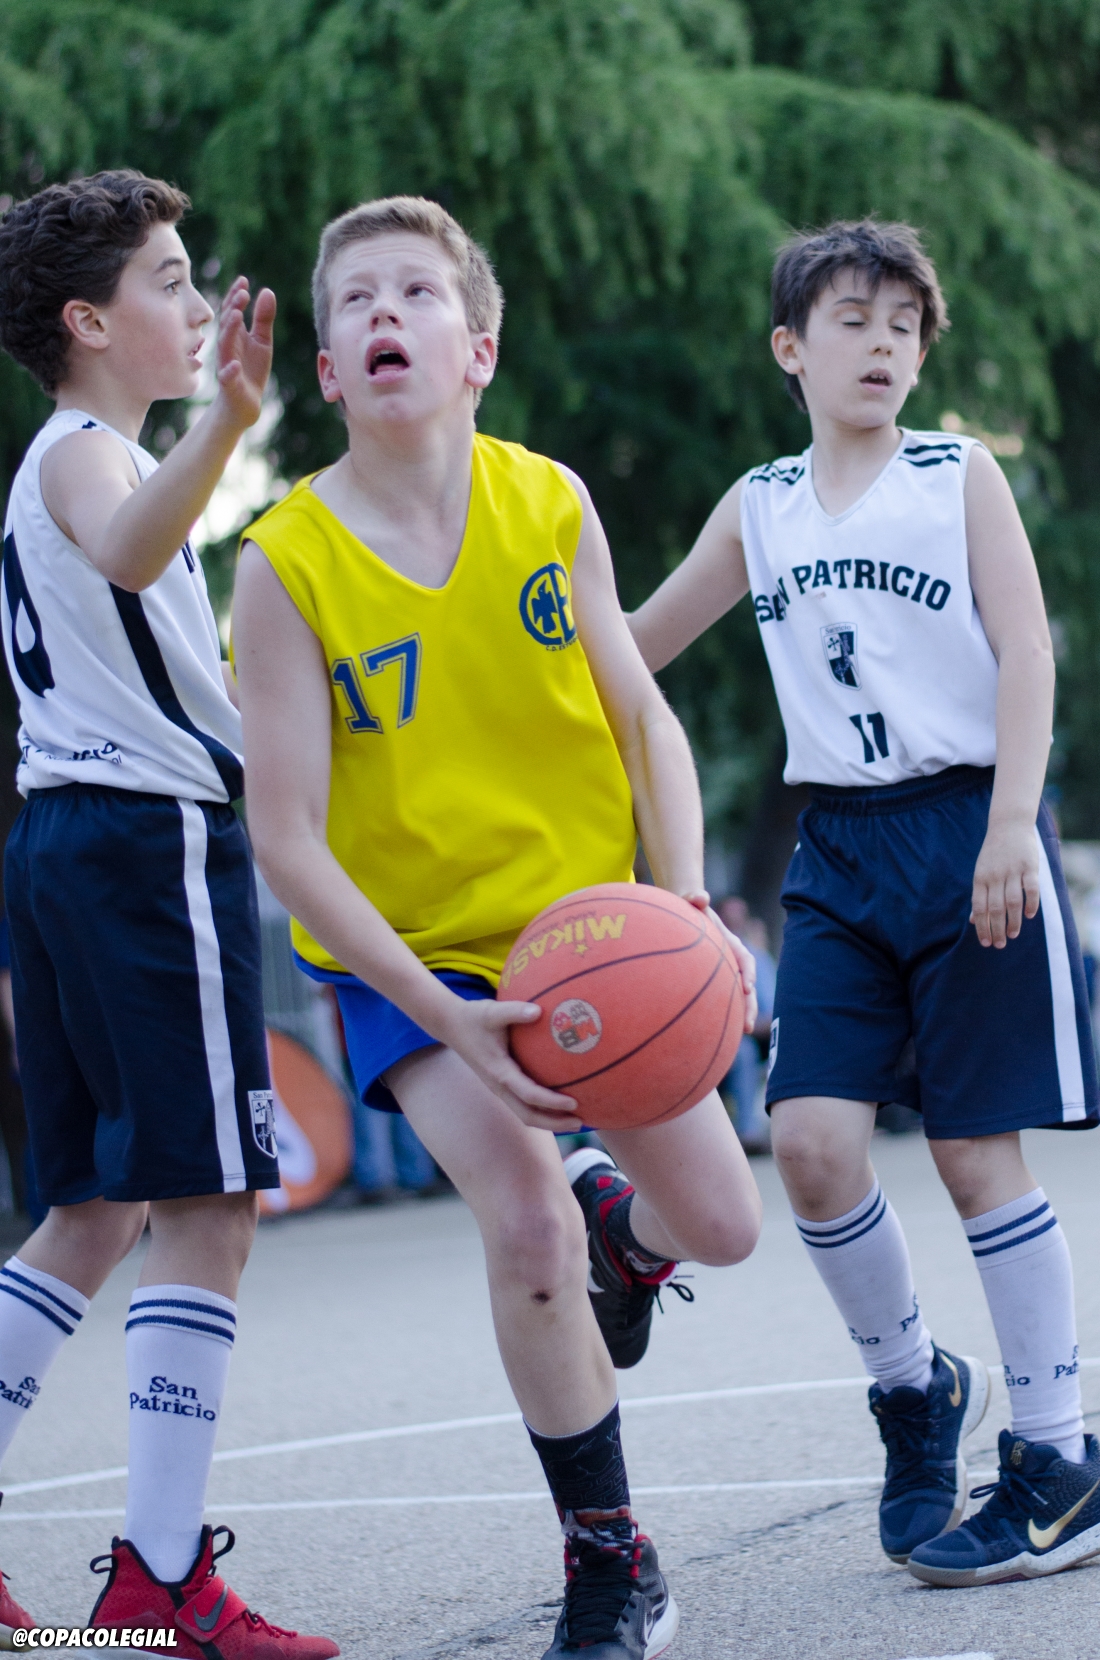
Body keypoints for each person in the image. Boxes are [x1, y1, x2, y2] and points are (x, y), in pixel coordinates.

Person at [232, 194, 763, 1659]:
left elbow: (641, 718)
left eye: (417, 291)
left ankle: (627, 1242)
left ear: (478, 349)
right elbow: (286, 840)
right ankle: (611, 1561)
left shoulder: (548, 502)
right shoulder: (284, 563)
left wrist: (686, 900)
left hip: (587, 930)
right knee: (523, 1225)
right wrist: (447, 1018)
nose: (384, 313)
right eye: (356, 301)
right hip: (413, 959)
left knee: (724, 1226)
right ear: (328, 370)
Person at [628, 219, 1100, 1588]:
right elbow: (633, 648)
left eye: (903, 324)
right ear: (790, 347)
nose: (883, 343)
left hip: (968, 829)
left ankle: (1060, 1459)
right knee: (813, 1146)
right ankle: (913, 1387)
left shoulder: (958, 476)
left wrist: (1010, 821)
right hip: (835, 849)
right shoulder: (760, 503)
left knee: (972, 1152)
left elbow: (1026, 651)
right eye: (853, 319)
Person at [0, 170, 337, 1652]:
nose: (201, 305)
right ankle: (160, 1580)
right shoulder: (86, 456)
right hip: (139, 849)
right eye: (172, 279)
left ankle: (157, 1571)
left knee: (89, 1213)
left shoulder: (85, 462)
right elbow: (129, 546)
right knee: (207, 1206)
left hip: (72, 841)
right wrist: (229, 425)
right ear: (90, 322)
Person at [716, 897, 776, 1152]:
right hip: (710, 1038)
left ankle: (749, 1131)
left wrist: (744, 1023)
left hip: (749, 1037)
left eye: (739, 917)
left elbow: (771, 1012)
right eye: (729, 918)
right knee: (740, 1051)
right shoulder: (705, 952)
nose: (735, 923)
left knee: (744, 1051)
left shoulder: (757, 957)